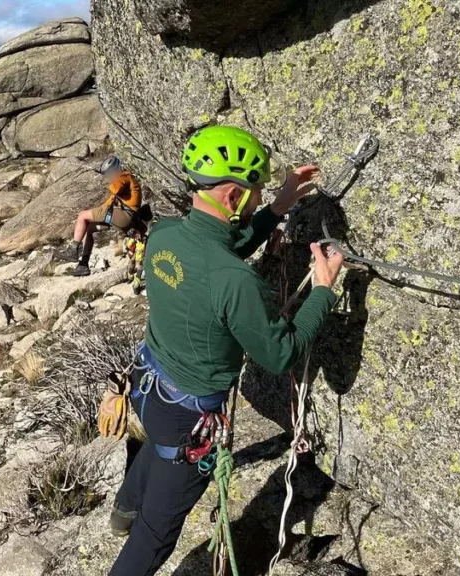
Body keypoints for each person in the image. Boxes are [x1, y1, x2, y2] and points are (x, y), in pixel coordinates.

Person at [103, 126, 345, 576]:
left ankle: (123, 511)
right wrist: (324, 292)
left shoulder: (165, 234)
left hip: (146, 384)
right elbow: (281, 354)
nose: (257, 199)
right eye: (254, 194)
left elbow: (221, 246)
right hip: (188, 415)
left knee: (155, 446)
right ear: (233, 197)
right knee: (155, 536)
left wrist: (278, 206)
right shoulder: (236, 282)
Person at [59, 156, 143, 277]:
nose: (108, 178)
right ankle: (83, 265)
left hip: (123, 216)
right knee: (88, 228)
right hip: (122, 218)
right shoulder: (124, 179)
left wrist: (113, 180)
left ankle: (73, 250)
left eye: (108, 174)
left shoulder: (124, 177)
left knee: (82, 216)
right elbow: (108, 202)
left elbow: (116, 189)